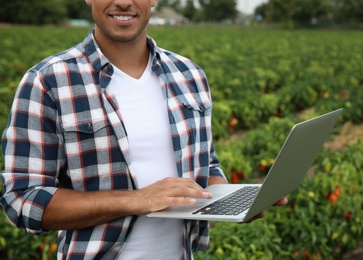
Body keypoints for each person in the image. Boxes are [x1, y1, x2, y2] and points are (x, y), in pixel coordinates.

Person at [0, 0, 287, 259]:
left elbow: (206, 165)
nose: (124, 2)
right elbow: (23, 199)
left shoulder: (189, 75)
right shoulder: (48, 81)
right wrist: (136, 200)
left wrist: (234, 202)